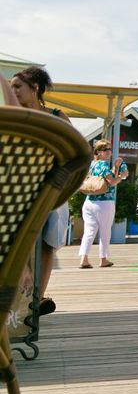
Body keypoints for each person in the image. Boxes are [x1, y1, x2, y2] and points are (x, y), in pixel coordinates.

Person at [11, 66, 73, 314]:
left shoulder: (57, 116)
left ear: (35, 89)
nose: (13, 91)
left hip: (54, 190)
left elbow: (74, 151)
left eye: (18, 87)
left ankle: (37, 298)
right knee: (20, 242)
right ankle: (21, 299)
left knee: (49, 243)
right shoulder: (12, 117)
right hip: (21, 190)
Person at [78, 139, 128, 268]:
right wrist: (122, 176)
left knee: (89, 231)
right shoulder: (104, 165)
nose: (109, 152)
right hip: (104, 203)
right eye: (105, 150)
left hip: (89, 201)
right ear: (98, 152)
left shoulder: (92, 164)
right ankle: (103, 258)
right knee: (105, 232)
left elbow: (106, 178)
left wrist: (116, 168)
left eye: (110, 149)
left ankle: (84, 259)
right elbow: (111, 182)